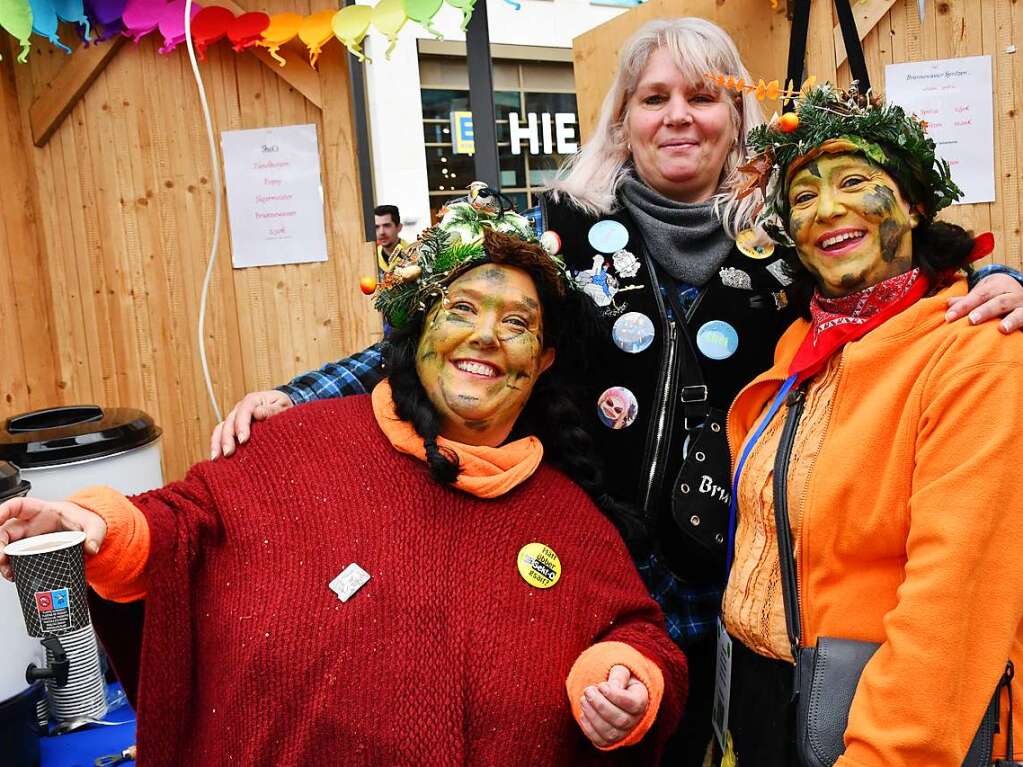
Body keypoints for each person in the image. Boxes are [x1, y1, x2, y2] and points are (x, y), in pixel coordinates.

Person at [207, 19, 1023, 764]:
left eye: (701, 97)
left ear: (734, 122)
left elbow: (901, 275)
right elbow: (446, 329)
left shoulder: (790, 243)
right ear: (621, 120)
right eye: (652, 98)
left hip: (732, 592)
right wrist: (297, 394)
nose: (677, 116)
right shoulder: (557, 233)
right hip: (581, 569)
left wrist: (1001, 284)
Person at [0, 204, 688, 766]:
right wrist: (94, 525)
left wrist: (623, 675)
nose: (485, 336)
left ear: (540, 363)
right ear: (416, 326)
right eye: (460, 310)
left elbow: (639, 633)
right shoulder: (294, 444)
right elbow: (180, 522)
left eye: (515, 324)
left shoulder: (567, 518)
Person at [721, 83, 1023, 765]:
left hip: (882, 726)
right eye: (801, 198)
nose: (828, 208)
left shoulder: (978, 347)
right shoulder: (798, 345)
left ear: (913, 204)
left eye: (854, 181)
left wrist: (891, 752)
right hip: (769, 711)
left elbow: (956, 596)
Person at [375, 203, 407, 274]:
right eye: (377, 227)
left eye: (387, 226)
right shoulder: (373, 257)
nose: (381, 232)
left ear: (399, 227)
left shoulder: (414, 254)